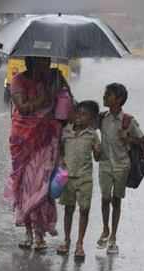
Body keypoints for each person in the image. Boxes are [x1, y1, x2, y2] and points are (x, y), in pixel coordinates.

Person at [4, 56, 72, 251]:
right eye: (41, 60)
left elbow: (68, 105)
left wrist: (60, 87)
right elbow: (23, 108)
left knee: (41, 187)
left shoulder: (55, 78)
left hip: (47, 141)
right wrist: (44, 98)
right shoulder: (19, 80)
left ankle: (40, 234)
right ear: (30, 62)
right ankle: (28, 232)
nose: (46, 64)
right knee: (25, 187)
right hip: (23, 141)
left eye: (47, 60)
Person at [96, 83, 144, 254]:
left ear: (118, 99)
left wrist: (128, 138)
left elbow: (142, 140)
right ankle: (105, 228)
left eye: (108, 95)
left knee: (116, 201)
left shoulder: (128, 121)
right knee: (104, 198)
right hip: (104, 165)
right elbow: (84, 121)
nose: (104, 97)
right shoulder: (102, 118)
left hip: (121, 166)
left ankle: (113, 237)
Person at [56, 101, 101, 259]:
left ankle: (80, 243)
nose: (79, 117)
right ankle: (67, 240)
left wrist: (97, 151)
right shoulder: (66, 131)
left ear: (91, 119)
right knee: (68, 209)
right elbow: (60, 150)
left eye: (84, 115)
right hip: (68, 177)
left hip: (85, 178)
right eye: (77, 113)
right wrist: (61, 161)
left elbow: (97, 157)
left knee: (84, 209)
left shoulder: (92, 134)